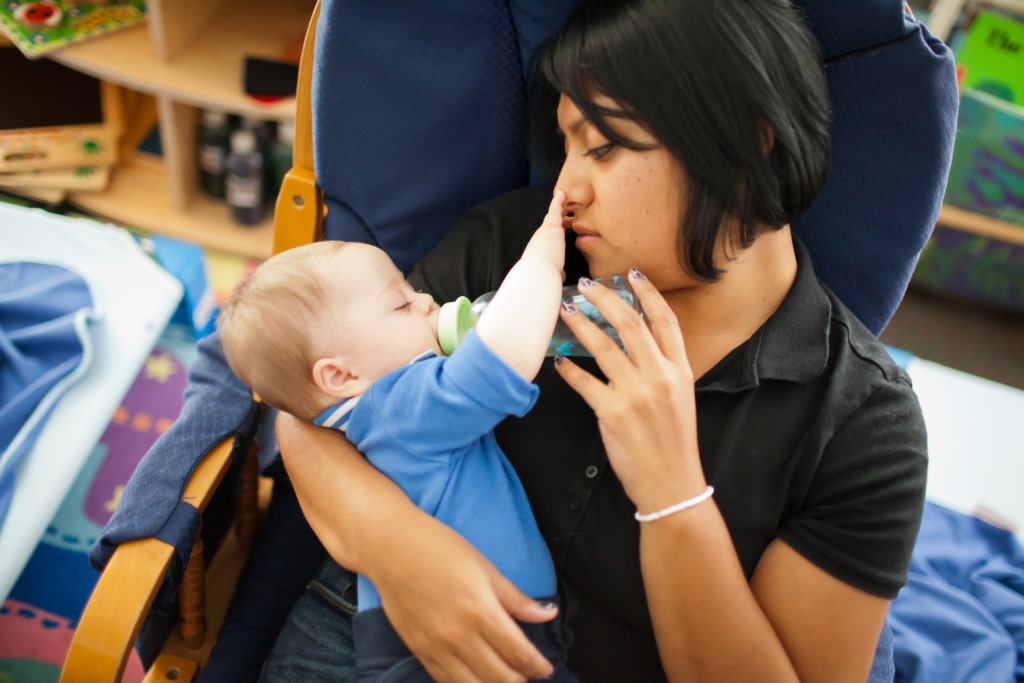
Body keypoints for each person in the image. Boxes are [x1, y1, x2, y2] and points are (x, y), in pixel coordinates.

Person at [261, 1, 929, 682]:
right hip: (370, 633)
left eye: (603, 146)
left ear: (747, 140)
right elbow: (313, 410)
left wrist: (673, 494)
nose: (566, 188)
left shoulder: (860, 425)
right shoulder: (518, 251)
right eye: (566, 148)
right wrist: (401, 554)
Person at [217, 192, 577, 682]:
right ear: (340, 376)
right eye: (401, 303)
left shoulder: (357, 419)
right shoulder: (399, 406)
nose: (426, 299)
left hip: (457, 635)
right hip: (449, 643)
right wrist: (544, 256)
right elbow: (504, 354)